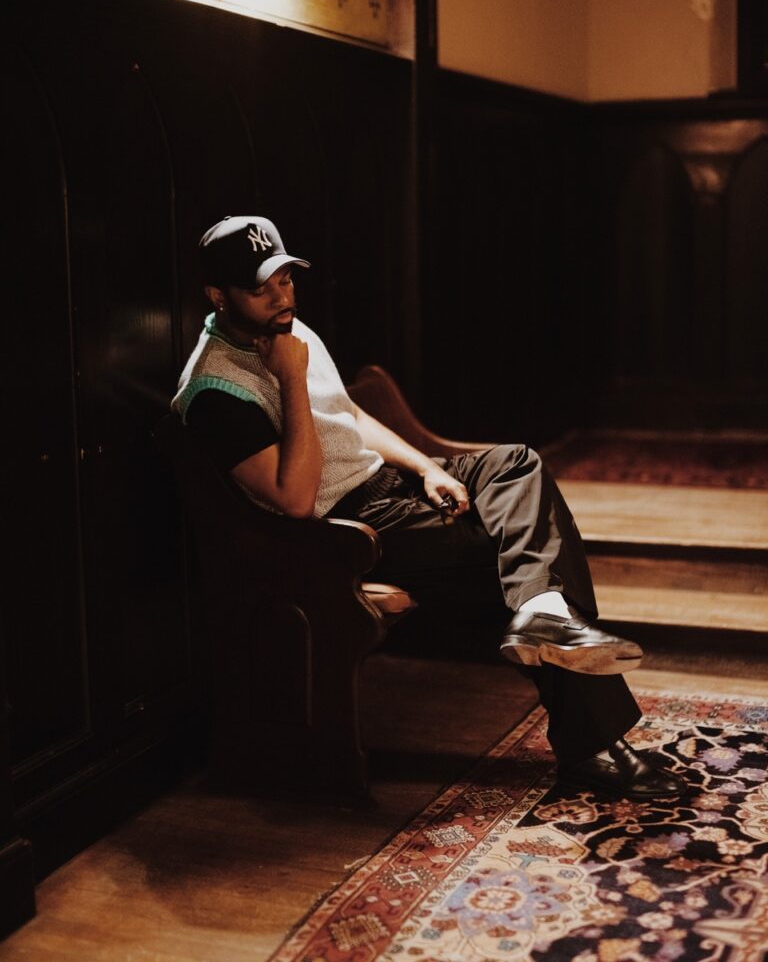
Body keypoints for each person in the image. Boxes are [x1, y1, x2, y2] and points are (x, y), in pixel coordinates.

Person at [172, 214, 686, 802]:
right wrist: (288, 378)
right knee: (517, 554)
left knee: (515, 463)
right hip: (344, 528)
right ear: (218, 295)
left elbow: (350, 416)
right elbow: (295, 501)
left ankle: (542, 611)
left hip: (390, 487)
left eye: (285, 279)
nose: (280, 296)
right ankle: (588, 733)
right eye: (259, 288)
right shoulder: (215, 391)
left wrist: (427, 467)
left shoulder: (289, 328)